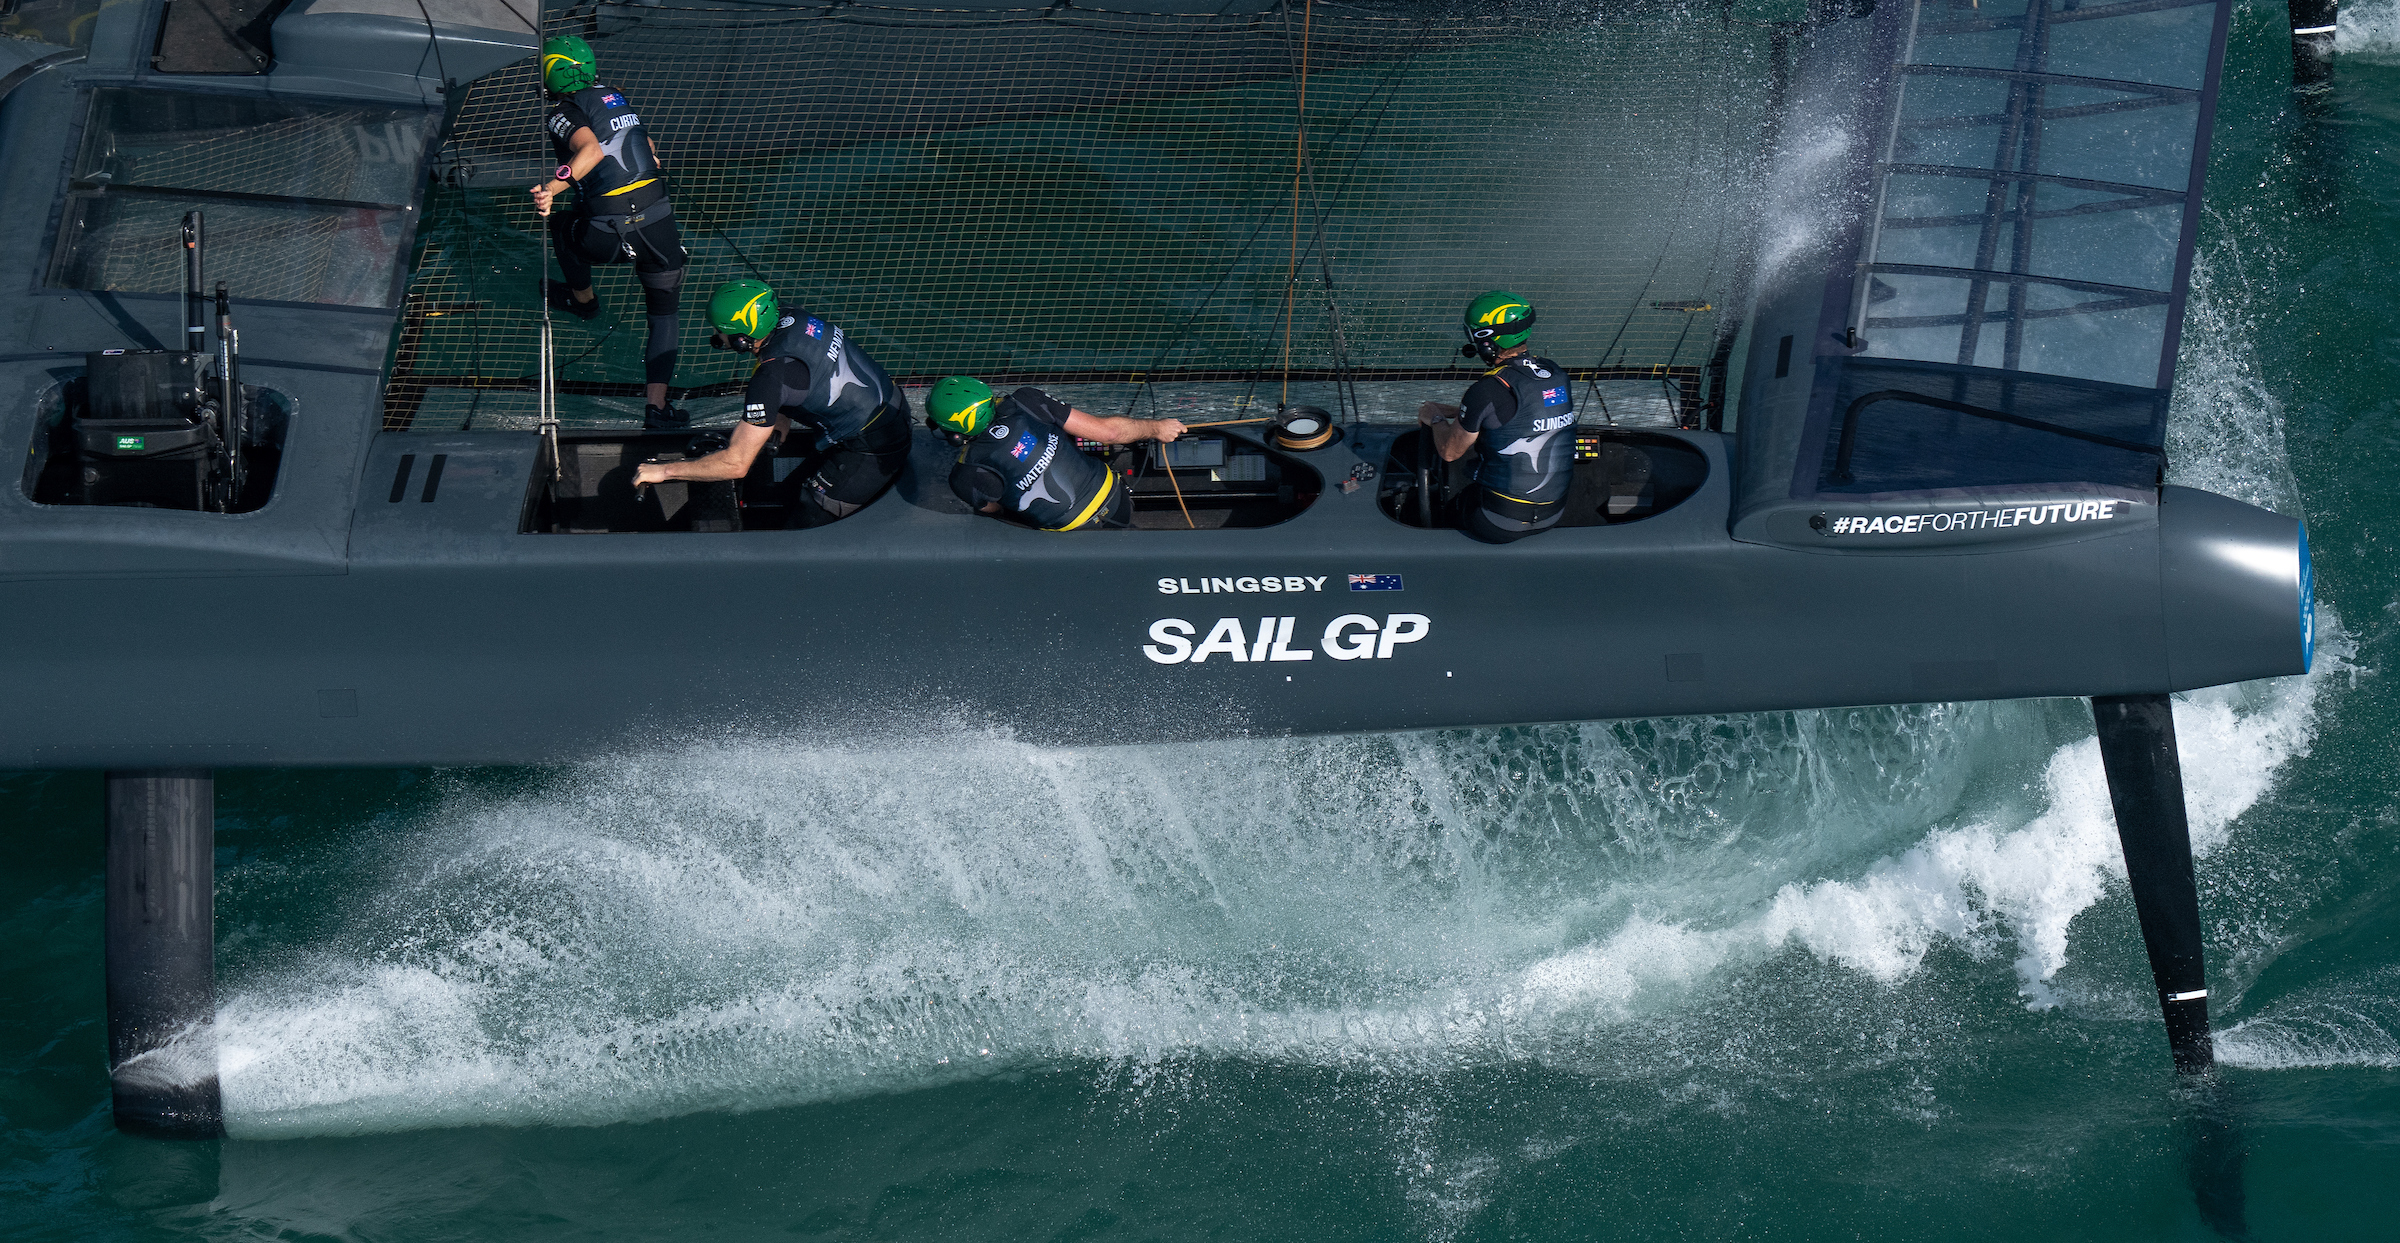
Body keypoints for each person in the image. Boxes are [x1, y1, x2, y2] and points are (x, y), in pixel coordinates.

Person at [631, 280, 911, 527]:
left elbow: (735, 464)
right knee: (790, 488)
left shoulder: (770, 378)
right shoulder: (793, 315)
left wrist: (664, 471)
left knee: (806, 523)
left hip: (873, 448)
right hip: (893, 406)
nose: (716, 334)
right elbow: (805, 371)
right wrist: (780, 414)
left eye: (720, 331)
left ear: (741, 340)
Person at [529, 35, 690, 431]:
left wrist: (551, 189)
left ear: (552, 75)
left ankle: (583, 301)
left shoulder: (562, 111)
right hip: (659, 228)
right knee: (664, 316)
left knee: (561, 224)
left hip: (608, 235)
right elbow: (646, 145)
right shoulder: (615, 97)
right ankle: (657, 408)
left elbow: (592, 152)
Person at [1416, 290, 1578, 544]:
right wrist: (1456, 411)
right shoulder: (1556, 374)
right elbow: (1519, 414)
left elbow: (1449, 452)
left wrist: (1434, 418)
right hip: (1553, 514)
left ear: (1487, 342)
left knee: (1449, 504)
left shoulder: (1487, 389)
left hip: (1499, 521)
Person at [927, 378, 1185, 530]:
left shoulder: (965, 476)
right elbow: (1110, 434)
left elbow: (995, 512)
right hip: (1117, 501)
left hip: (1074, 535)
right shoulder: (1027, 400)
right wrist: (1157, 428)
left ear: (954, 434)